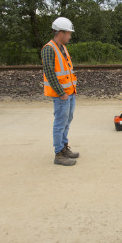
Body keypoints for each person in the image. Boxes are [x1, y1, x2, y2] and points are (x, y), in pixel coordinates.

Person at [41, 17, 79, 166]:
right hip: (61, 95)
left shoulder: (62, 47)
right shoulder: (49, 49)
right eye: (68, 33)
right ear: (61, 33)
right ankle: (59, 154)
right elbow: (50, 74)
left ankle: (64, 147)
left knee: (67, 121)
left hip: (70, 93)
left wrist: (71, 91)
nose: (70, 36)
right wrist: (61, 93)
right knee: (60, 123)